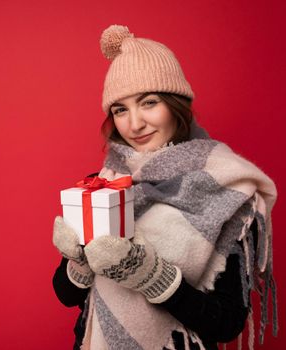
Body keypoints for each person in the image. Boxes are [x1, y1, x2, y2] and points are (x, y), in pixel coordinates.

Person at [51, 24, 278, 350]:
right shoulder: (105, 183)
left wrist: (151, 276)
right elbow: (67, 295)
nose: (134, 123)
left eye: (149, 102)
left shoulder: (230, 190)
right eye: (120, 109)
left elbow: (227, 322)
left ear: (177, 104)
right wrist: (78, 260)